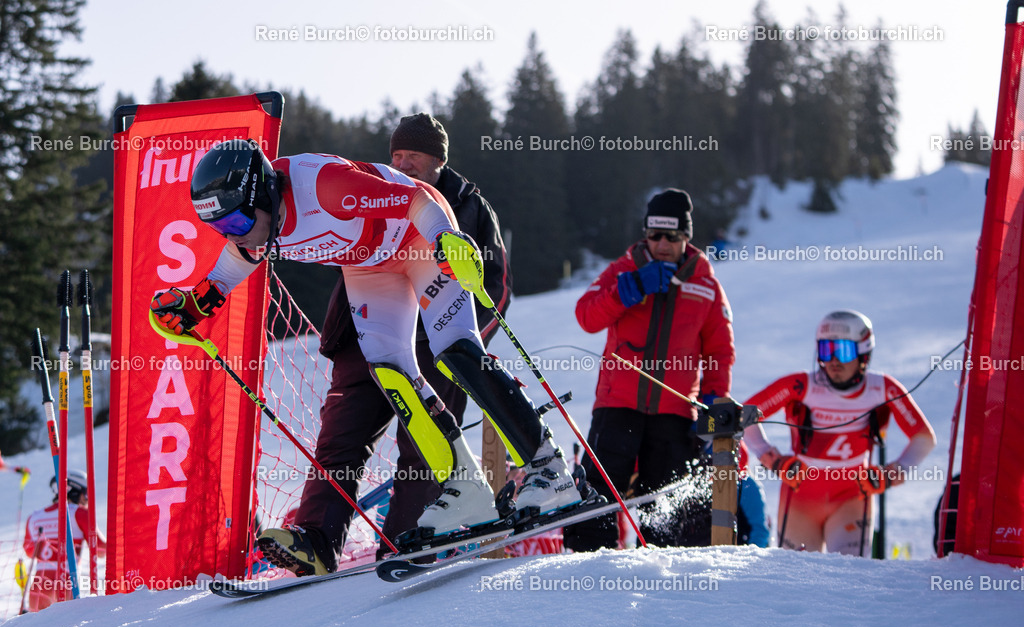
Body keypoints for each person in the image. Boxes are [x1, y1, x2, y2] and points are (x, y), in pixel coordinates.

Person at [152, 138, 582, 574]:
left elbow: (416, 199)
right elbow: (236, 258)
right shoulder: (252, 227)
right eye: (221, 227)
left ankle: (548, 469)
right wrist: (198, 302)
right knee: (391, 374)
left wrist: (445, 239)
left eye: (240, 219)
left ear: (263, 191)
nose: (236, 232)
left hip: (417, 236)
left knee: (455, 351)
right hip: (369, 264)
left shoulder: (325, 187)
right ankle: (463, 489)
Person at [259, 114, 511, 574]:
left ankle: (408, 543)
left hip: (436, 351)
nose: (402, 163)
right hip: (363, 342)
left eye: (413, 155)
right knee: (339, 437)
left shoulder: (468, 205)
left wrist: (461, 353)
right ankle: (316, 540)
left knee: (422, 446)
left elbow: (492, 285)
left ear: (438, 159)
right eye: (396, 155)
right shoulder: (367, 185)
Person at [563, 189, 736, 551]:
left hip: (673, 413)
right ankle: (588, 571)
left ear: (686, 238)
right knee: (600, 496)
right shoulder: (625, 268)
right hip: (617, 405)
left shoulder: (705, 284)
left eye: (671, 236)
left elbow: (719, 351)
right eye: (654, 234)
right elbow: (586, 316)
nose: (661, 244)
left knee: (665, 509)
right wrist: (626, 293)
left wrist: (712, 401)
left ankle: (662, 582)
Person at [742, 309, 936, 556]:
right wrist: (772, 458)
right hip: (801, 497)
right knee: (796, 582)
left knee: (849, 578)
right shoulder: (801, 384)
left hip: (852, 499)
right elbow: (744, 416)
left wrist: (894, 472)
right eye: (825, 350)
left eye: (843, 351)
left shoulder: (882, 388)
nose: (833, 360)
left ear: (864, 354)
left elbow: (924, 438)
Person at [22, 470, 105, 612]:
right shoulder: (80, 513)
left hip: (39, 586)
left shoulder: (34, 517)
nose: (86, 499)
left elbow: (30, 552)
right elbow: (101, 550)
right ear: (73, 491)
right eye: (85, 494)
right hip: (67, 582)